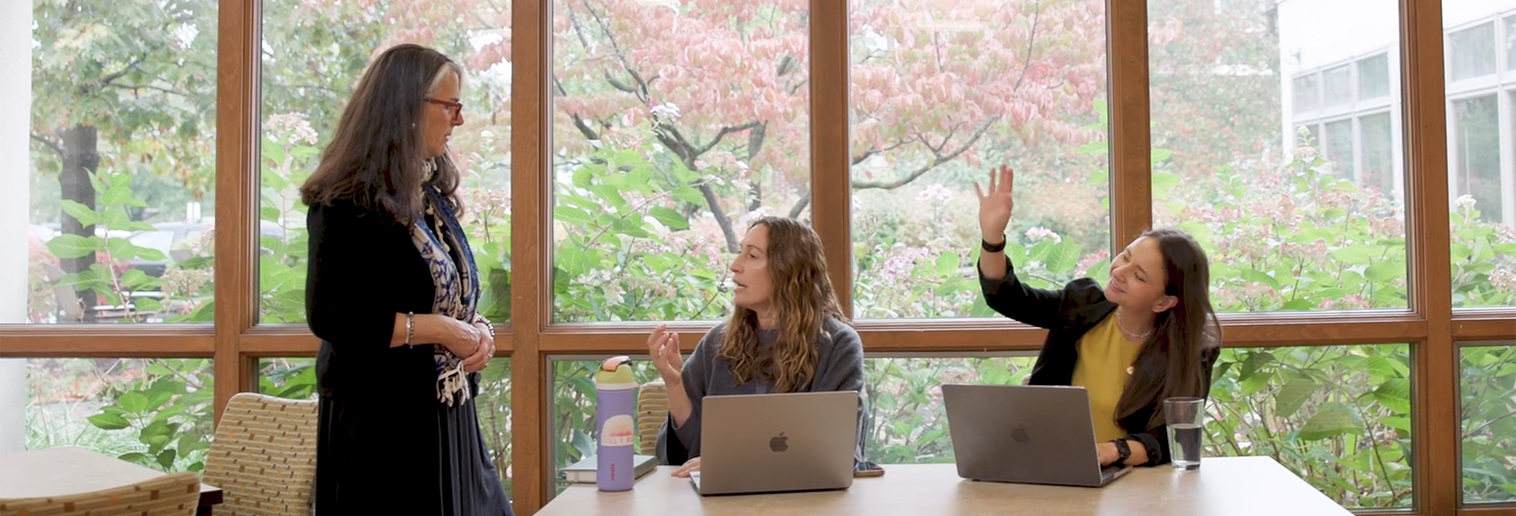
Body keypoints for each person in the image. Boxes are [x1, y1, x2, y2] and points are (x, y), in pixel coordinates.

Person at [300, 43, 513, 515]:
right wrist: (440, 331)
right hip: (380, 429)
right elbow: (333, 316)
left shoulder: (429, 191)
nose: (458, 119)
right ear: (407, 107)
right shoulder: (344, 201)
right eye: (450, 106)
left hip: (445, 413)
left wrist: (479, 331)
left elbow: (447, 294)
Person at [974, 165, 1221, 467]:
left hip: (1130, 481)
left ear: (1163, 302)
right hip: (1052, 465)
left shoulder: (1192, 352)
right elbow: (1008, 297)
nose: (1119, 272)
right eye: (1126, 256)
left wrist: (1112, 451)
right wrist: (992, 236)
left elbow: (1172, 440)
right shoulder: (1084, 304)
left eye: (1139, 276)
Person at [650, 216, 866, 477]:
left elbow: (835, 454)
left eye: (751, 256)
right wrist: (674, 384)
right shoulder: (717, 343)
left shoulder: (838, 345)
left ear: (787, 269)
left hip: (808, 501)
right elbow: (691, 451)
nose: (734, 266)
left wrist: (738, 466)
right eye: (740, 253)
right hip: (721, 502)